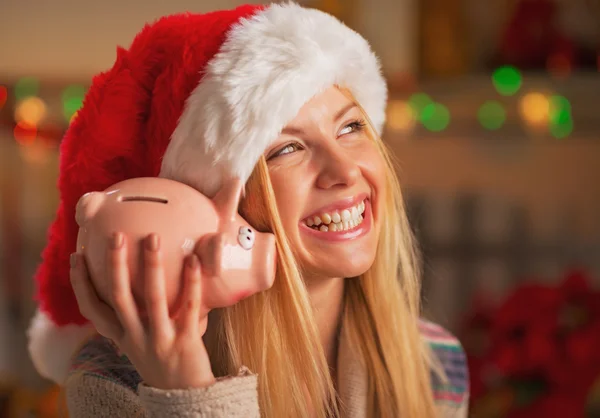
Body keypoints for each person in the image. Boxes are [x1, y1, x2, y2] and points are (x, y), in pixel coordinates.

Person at [26, 3, 469, 417]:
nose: (345, 170)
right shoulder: (113, 383)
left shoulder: (435, 366)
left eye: (351, 126)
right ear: (199, 203)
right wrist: (187, 391)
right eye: (287, 149)